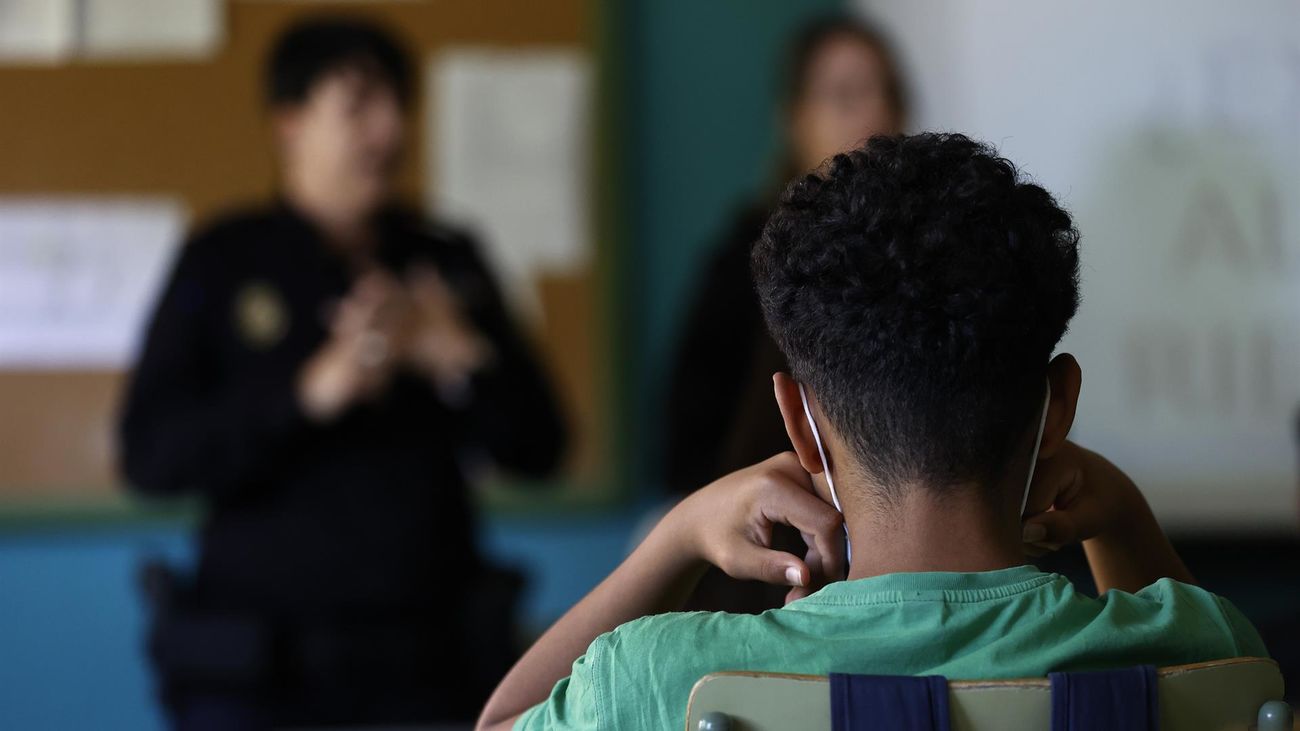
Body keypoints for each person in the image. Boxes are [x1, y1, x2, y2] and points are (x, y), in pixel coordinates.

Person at [476, 133, 1268, 731]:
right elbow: (1218, 667)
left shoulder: (659, 675)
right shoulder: (1202, 645)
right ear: (1058, 408)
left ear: (798, 420)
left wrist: (678, 534)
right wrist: (1123, 514)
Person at [119, 17, 566, 729]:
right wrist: (308, 394)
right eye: (358, 105)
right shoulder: (223, 259)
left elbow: (542, 448)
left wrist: (457, 355)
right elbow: (148, 457)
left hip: (432, 667)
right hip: (258, 674)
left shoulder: (445, 257)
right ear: (290, 122)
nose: (389, 131)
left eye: (398, 105)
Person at [663, 16, 908, 612]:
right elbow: (686, 444)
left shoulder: (926, 257)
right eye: (846, 95)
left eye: (886, 93)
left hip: (907, 572)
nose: (871, 114)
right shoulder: (745, 261)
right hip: (768, 572)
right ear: (795, 118)